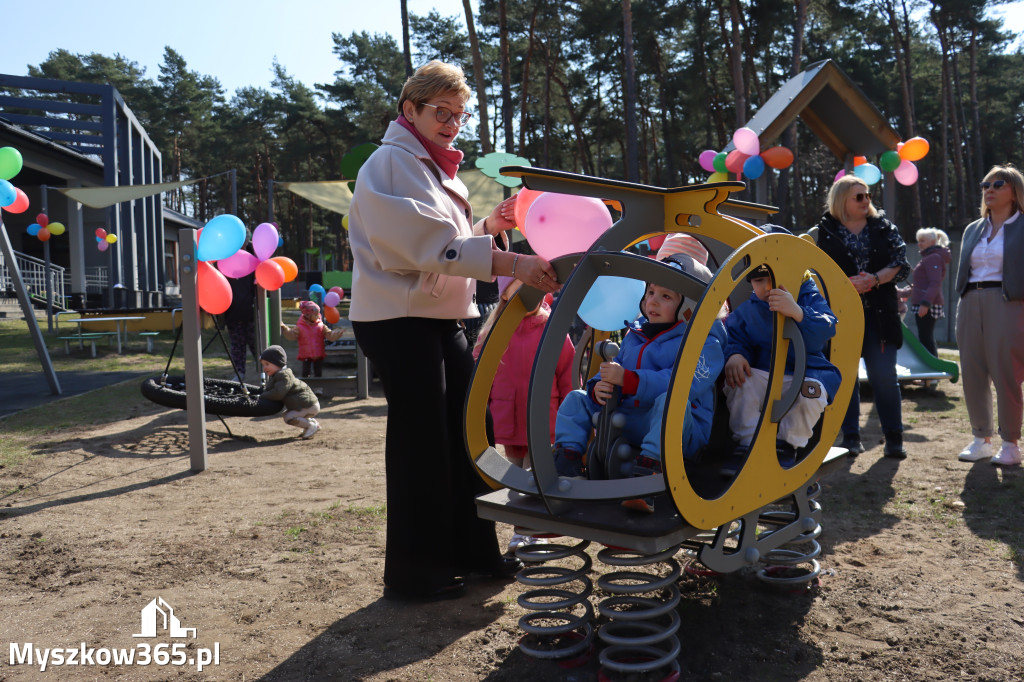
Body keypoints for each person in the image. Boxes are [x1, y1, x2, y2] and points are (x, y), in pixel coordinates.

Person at [347, 60, 560, 603]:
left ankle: (473, 553)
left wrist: (490, 227)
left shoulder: (429, 166)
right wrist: (513, 265)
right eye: (441, 111)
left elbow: (448, 238)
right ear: (409, 110)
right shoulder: (390, 162)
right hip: (399, 321)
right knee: (423, 444)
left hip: (440, 318)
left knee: (471, 431)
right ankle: (416, 573)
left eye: (459, 115)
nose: (451, 122)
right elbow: (418, 246)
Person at [552, 254, 726, 507]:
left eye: (666, 296)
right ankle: (567, 466)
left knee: (670, 401)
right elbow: (618, 370)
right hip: (630, 419)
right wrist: (599, 387)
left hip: (677, 433)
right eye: (651, 292)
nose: (652, 301)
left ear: (689, 306)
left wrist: (629, 380)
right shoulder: (636, 334)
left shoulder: (706, 344)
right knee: (576, 399)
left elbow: (681, 384)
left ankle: (649, 475)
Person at [474, 276, 574, 550]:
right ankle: (522, 530)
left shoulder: (553, 330)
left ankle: (534, 530)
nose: (528, 295)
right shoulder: (496, 331)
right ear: (506, 295)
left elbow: (567, 376)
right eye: (519, 289)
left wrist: (572, 417)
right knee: (514, 482)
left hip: (542, 419)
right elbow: (482, 377)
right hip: (508, 418)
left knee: (535, 477)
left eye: (533, 289)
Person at [814, 175, 910, 459]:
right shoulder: (824, 230)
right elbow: (814, 270)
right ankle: (850, 437)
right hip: (838, 316)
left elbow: (900, 263)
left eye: (868, 195)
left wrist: (875, 279)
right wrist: (846, 284)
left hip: (880, 315)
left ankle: (894, 437)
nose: (866, 200)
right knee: (844, 378)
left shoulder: (883, 226)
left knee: (883, 376)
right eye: (859, 196)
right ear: (842, 199)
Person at [722, 263, 841, 471]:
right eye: (759, 281)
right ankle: (748, 443)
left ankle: (787, 444)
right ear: (750, 282)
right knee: (740, 382)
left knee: (812, 393)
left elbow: (827, 327)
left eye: (774, 278)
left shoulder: (807, 297)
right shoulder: (749, 310)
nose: (768, 287)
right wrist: (736, 354)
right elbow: (736, 337)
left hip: (806, 370)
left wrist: (798, 312)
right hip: (765, 370)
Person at [954, 164, 1024, 467]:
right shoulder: (974, 228)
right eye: (985, 185)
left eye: (998, 184)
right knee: (971, 371)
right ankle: (981, 438)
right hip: (969, 300)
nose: (989, 190)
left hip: (1007, 301)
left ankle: (1011, 443)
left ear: (1015, 191)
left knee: (1006, 372)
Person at [903, 227, 951, 357]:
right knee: (925, 337)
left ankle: (933, 370)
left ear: (933, 241)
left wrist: (925, 303)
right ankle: (932, 369)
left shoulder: (933, 258)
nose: (919, 243)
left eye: (922, 241)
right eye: (918, 240)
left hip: (927, 304)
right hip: (926, 301)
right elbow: (926, 282)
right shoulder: (930, 257)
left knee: (926, 338)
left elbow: (935, 283)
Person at [259, 345, 321, 439]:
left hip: (308, 405)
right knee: (287, 414)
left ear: (278, 363)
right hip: (306, 404)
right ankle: (311, 423)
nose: (264, 368)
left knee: (289, 417)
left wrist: (262, 396)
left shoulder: (284, 376)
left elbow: (278, 393)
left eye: (267, 364)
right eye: (263, 365)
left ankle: (310, 426)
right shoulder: (277, 376)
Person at [280, 300, 344, 378]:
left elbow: (329, 334)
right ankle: (305, 387)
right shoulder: (300, 327)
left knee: (318, 372)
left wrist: (336, 334)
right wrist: (285, 329)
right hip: (306, 354)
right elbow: (291, 335)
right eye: (315, 314)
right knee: (305, 372)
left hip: (318, 353)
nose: (318, 316)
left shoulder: (321, 325)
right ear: (308, 315)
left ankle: (318, 388)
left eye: (318, 314)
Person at [224, 270, 257, 381]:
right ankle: (240, 372)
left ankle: (265, 369)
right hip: (233, 316)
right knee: (237, 346)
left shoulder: (252, 268)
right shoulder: (225, 270)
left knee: (256, 345)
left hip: (251, 315)